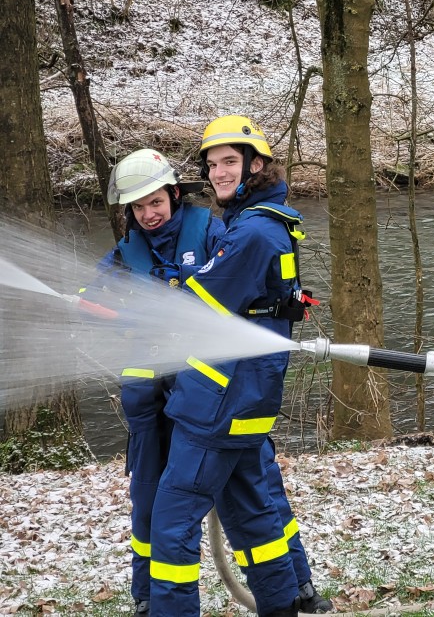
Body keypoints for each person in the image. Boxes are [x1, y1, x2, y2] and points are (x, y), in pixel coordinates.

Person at [95, 147, 332, 616]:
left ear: (175, 195)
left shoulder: (216, 231)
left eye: (156, 203)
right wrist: (99, 307)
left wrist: (166, 307)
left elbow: (219, 294)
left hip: (210, 395)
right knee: (156, 503)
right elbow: (95, 296)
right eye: (138, 207)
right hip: (158, 401)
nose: (149, 214)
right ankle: (148, 597)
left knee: (236, 500)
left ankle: (297, 586)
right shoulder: (125, 256)